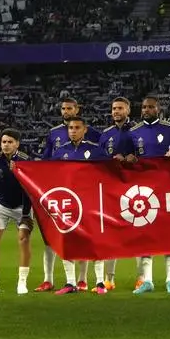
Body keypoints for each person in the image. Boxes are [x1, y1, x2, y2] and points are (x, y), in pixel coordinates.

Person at [34, 93, 100, 293]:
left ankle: (86, 280)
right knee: (63, 237)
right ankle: (67, 281)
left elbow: (106, 166)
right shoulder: (55, 138)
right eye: (63, 109)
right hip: (65, 197)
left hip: (88, 198)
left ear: (77, 110)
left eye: (69, 109)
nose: (66, 112)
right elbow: (47, 166)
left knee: (87, 238)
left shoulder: (94, 141)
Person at [128, 94, 170, 295]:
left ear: (158, 109)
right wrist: (129, 158)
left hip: (167, 188)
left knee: (168, 235)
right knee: (146, 235)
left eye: (150, 107)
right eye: (144, 107)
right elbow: (128, 158)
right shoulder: (134, 132)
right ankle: (148, 280)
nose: (146, 110)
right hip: (143, 192)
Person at [50, 117, 109, 293]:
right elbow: (50, 174)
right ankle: (70, 283)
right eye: (70, 128)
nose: (73, 131)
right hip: (69, 203)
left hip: (91, 203)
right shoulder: (60, 152)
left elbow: (108, 173)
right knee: (67, 242)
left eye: (77, 128)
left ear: (85, 130)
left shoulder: (96, 150)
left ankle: (99, 283)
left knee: (95, 243)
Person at [0, 129, 33, 296]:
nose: (6, 145)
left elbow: (28, 190)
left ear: (17, 143)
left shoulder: (26, 161)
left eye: (10, 142)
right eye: (4, 142)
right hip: (2, 206)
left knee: (23, 239)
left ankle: (22, 283)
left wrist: (25, 214)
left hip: (22, 206)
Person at [92, 97, 134, 293]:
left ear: (128, 110)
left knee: (138, 233)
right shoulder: (105, 135)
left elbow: (146, 156)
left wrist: (131, 158)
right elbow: (98, 161)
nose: (116, 111)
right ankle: (109, 279)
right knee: (110, 234)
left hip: (135, 188)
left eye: (120, 108)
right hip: (111, 189)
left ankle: (142, 278)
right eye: (114, 108)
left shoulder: (137, 131)